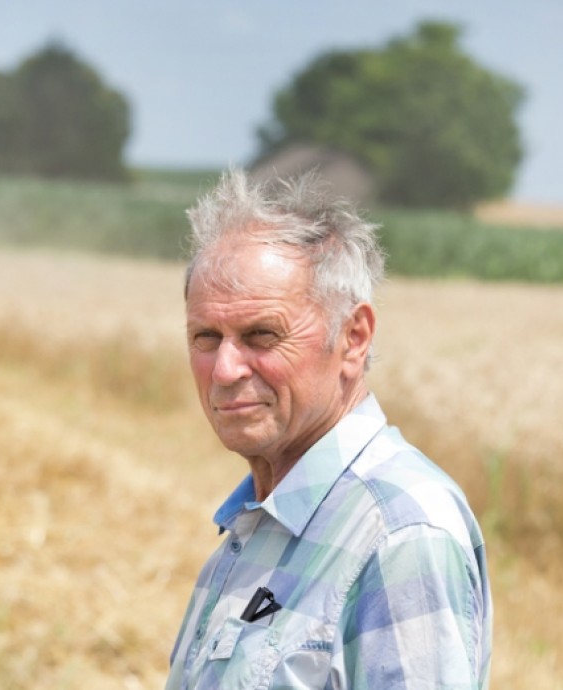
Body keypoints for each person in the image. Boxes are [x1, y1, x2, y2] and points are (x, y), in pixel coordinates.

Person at [166, 169, 492, 689]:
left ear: (354, 337)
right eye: (206, 336)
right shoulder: (256, 523)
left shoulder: (400, 535)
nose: (225, 370)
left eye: (261, 335)